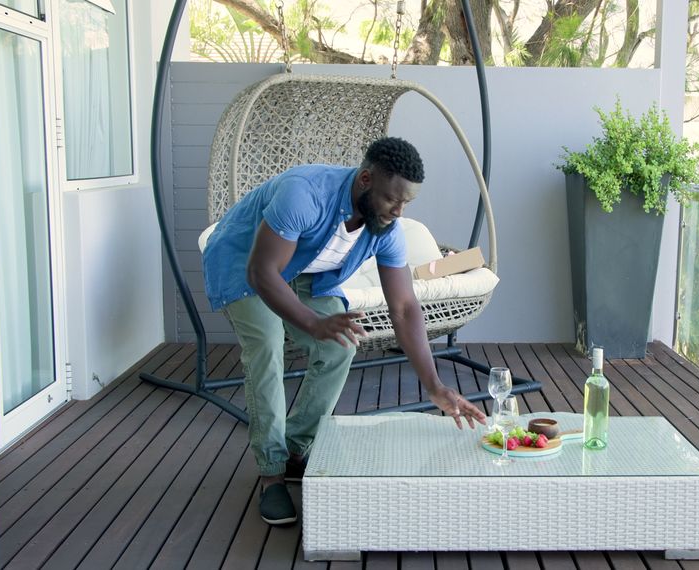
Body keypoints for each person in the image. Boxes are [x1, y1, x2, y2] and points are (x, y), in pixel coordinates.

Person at [202, 137, 487, 526]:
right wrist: (312, 323)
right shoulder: (304, 196)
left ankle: (295, 450)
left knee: (340, 347)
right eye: (392, 199)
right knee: (267, 347)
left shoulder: (386, 227)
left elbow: (403, 308)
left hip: (304, 271)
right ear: (366, 179)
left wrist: (435, 385)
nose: (399, 211)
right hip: (245, 264)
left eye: (407, 203)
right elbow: (262, 273)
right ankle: (271, 474)